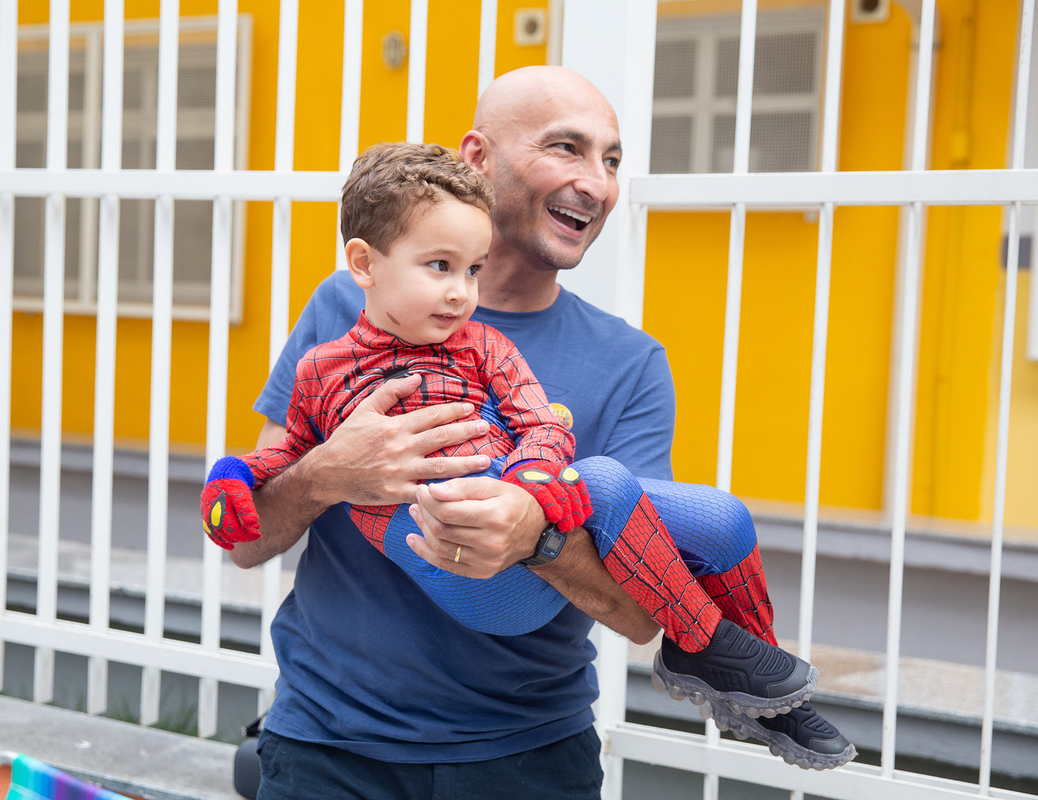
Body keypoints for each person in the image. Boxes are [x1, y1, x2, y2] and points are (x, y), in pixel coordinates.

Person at [236, 68, 852, 800]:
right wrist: (328, 475)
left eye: (611, 159)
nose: (597, 183)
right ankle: (724, 656)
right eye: (567, 148)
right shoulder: (349, 303)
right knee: (604, 485)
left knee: (707, 516)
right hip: (328, 747)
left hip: (531, 759)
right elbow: (247, 540)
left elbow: (638, 615)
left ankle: (749, 675)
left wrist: (538, 535)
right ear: (477, 159)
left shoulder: (628, 363)